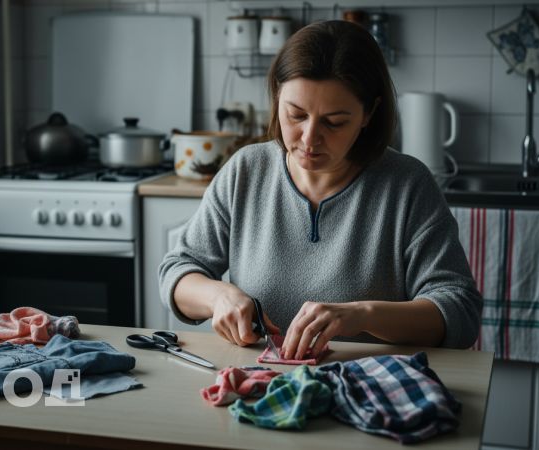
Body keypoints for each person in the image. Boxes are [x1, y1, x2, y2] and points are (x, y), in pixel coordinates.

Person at [158, 20, 481, 360]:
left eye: (335, 121)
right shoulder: (245, 171)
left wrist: (362, 314)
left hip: (367, 392)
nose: (309, 139)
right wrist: (218, 296)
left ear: (368, 113)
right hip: (258, 388)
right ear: (277, 97)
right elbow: (178, 271)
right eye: (296, 115)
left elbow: (459, 310)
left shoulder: (407, 185)